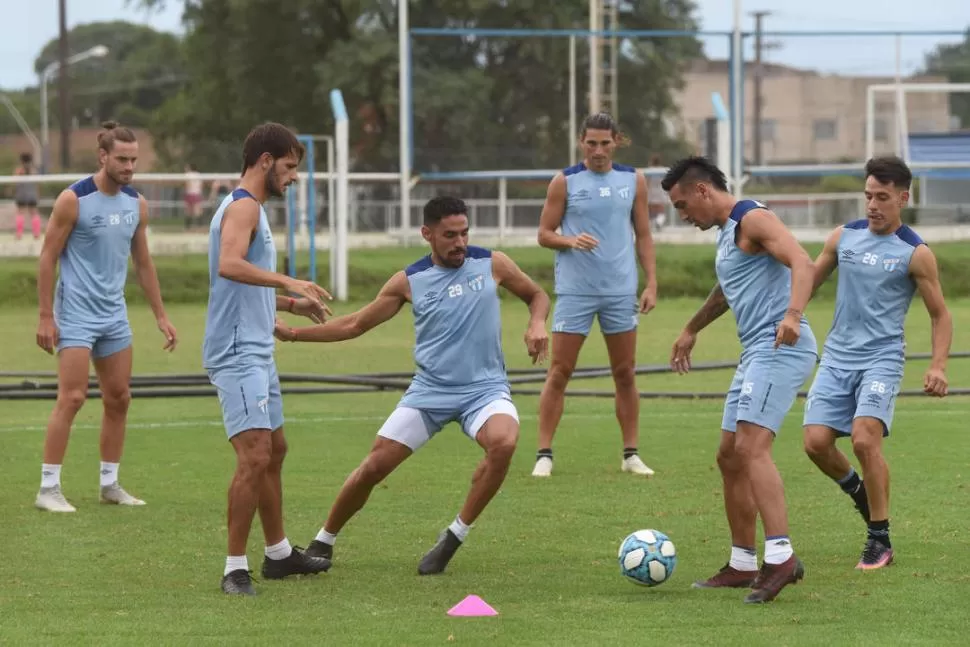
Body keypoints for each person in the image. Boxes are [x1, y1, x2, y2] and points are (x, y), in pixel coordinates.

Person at [275, 196, 550, 575]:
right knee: (374, 467)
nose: (460, 242)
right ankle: (325, 539)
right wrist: (293, 334)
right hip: (430, 392)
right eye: (449, 235)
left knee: (503, 443)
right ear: (427, 234)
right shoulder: (409, 281)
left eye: (464, 233)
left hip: (484, 391)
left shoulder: (493, 263)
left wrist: (537, 323)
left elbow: (537, 295)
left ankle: (453, 537)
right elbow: (355, 324)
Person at [663, 156, 817, 604]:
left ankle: (782, 557)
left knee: (751, 447)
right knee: (730, 456)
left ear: (702, 191)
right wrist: (692, 327)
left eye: (681, 206)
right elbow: (729, 289)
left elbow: (802, 262)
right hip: (756, 353)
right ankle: (743, 562)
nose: (683, 216)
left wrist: (792, 315)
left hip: (781, 347)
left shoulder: (753, 219)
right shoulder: (729, 234)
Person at [203, 122, 335, 596]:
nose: (294, 176)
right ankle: (234, 568)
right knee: (255, 456)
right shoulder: (242, 207)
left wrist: (289, 306)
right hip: (238, 352)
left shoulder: (252, 207)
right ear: (265, 160)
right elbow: (229, 265)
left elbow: (238, 285)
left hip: (258, 347)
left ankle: (278, 554)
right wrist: (289, 282)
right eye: (290, 166)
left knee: (275, 452)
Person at [802, 155, 951, 570]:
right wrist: (790, 315)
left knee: (865, 439)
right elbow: (809, 281)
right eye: (868, 196)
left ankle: (879, 538)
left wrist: (938, 365)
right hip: (836, 357)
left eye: (882, 197)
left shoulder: (915, 253)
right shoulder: (842, 238)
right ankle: (858, 492)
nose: (872, 205)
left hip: (881, 360)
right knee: (815, 443)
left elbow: (941, 314)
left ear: (903, 198)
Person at [34, 122, 179, 513]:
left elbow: (143, 263)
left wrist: (161, 316)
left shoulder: (137, 204)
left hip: (114, 316)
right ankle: (48, 488)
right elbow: (47, 257)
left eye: (134, 159)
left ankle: (110, 484)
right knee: (74, 397)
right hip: (76, 314)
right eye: (122, 159)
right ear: (103, 157)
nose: (130, 166)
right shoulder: (73, 200)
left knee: (119, 398)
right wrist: (46, 316)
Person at [532, 112, 658, 478]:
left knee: (624, 372)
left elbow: (645, 235)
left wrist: (651, 282)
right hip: (576, 292)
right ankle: (544, 454)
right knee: (560, 371)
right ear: (581, 143)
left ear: (616, 141)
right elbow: (544, 233)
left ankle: (631, 454)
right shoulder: (565, 182)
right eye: (592, 143)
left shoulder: (633, 179)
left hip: (620, 292)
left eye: (605, 143)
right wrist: (570, 240)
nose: (599, 150)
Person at [14, 152, 43, 240]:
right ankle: (36, 233)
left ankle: (19, 234)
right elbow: (37, 184)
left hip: (21, 194)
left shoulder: (18, 171)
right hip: (32, 194)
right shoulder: (34, 171)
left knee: (20, 213)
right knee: (34, 213)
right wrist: (38, 194)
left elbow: (15, 182)